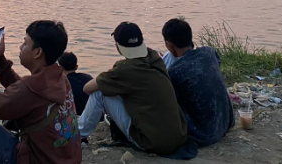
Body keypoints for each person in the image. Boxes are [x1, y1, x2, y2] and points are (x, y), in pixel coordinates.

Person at [0, 20, 82, 164]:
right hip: (64, 159)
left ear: (37, 52)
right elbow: (23, 91)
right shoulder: (59, 77)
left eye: (25, 43)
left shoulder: (33, 87)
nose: (20, 47)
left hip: (36, 160)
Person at [78, 22, 188, 156]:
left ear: (118, 47)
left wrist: (109, 79)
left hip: (153, 143)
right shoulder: (155, 59)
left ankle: (78, 134)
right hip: (179, 137)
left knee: (99, 93)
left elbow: (87, 88)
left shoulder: (124, 70)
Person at [161, 18, 234, 147]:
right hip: (226, 121)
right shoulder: (209, 52)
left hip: (204, 134)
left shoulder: (176, 71)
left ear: (170, 44)